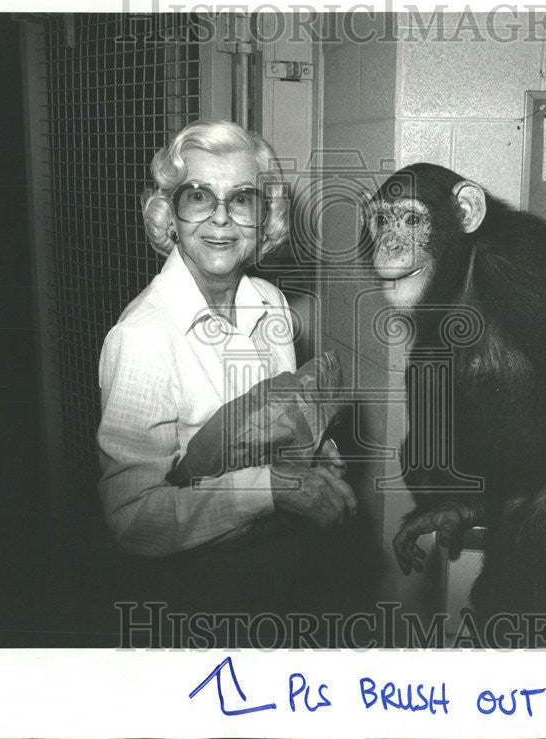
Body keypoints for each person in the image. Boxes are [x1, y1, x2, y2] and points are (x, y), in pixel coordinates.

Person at [96, 120, 361, 639]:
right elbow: (130, 519)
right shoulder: (142, 337)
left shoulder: (270, 303)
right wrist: (273, 489)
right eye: (198, 196)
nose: (221, 218)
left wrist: (310, 455)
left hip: (284, 571)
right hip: (198, 594)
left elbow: (268, 427)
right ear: (168, 216)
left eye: (242, 199)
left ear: (265, 219)